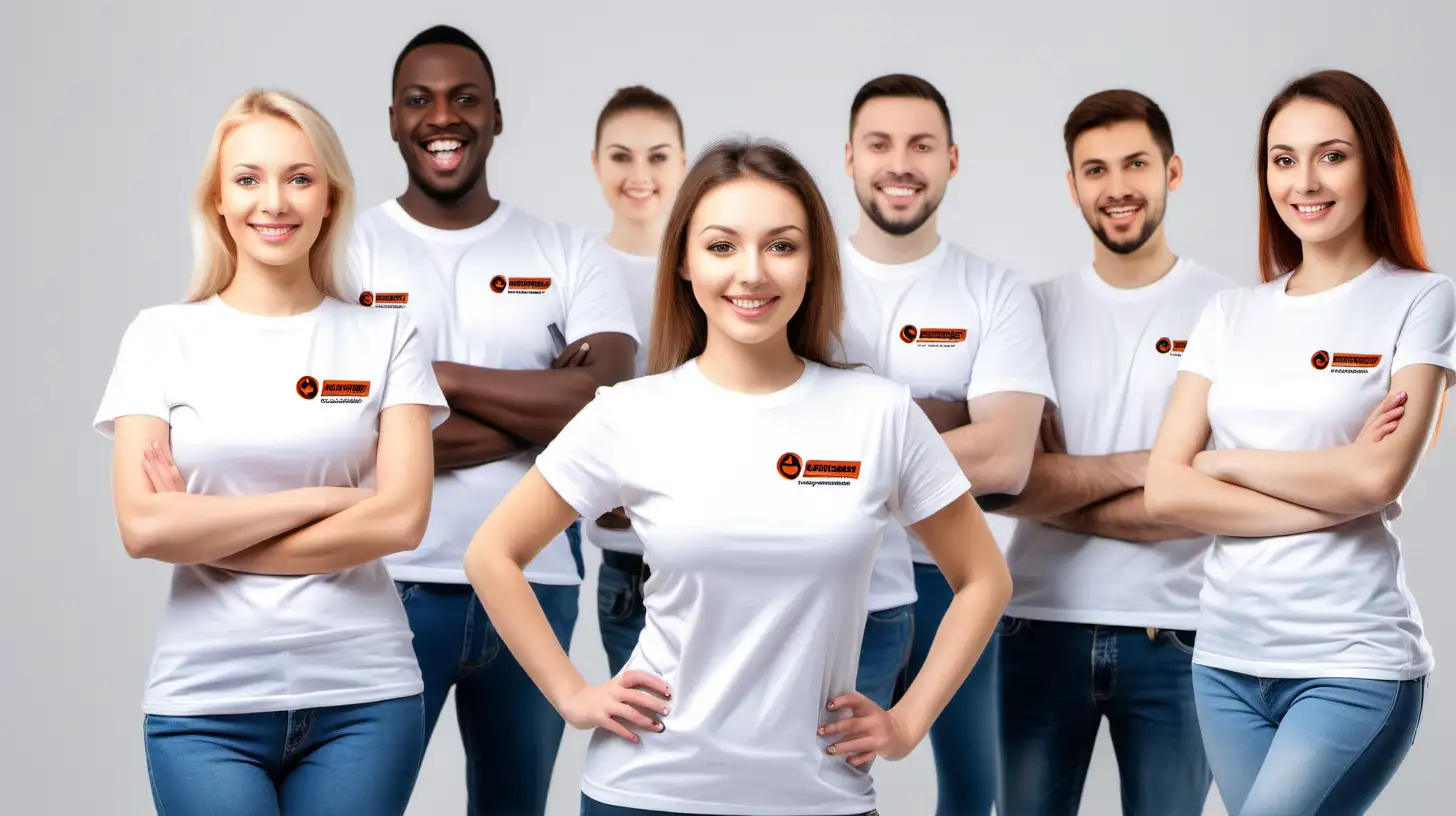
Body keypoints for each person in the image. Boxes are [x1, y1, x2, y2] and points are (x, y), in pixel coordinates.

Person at [462, 137, 1013, 816]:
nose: (751, 273)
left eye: (781, 246)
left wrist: (907, 722)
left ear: (814, 264)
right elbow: (491, 553)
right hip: (646, 792)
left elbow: (985, 577)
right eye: (722, 246)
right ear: (686, 265)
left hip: (821, 801)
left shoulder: (879, 412)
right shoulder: (631, 414)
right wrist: (575, 695)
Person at [93, 88, 448, 815]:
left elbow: (401, 522)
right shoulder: (159, 337)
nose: (274, 201)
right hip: (206, 706)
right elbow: (144, 529)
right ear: (218, 201)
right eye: (248, 178)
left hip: (365, 698)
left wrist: (207, 528)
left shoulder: (387, 336)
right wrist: (328, 500)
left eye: (299, 177)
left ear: (329, 198)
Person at [342, 25, 640, 816]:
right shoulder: (344, 253)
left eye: (465, 98)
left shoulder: (568, 252)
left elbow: (606, 405)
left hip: (536, 584)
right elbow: (348, 437)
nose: (444, 117)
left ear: (498, 115)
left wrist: (428, 378)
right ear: (395, 120)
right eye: (421, 100)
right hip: (384, 583)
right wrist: (541, 414)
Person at [1145, 68, 1450, 815]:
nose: (1303, 181)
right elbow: (1166, 490)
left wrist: (1227, 462)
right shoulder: (1228, 314)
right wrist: (1331, 484)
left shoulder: (1421, 300)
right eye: (1283, 159)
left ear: (1374, 164)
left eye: (1331, 155)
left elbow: (1378, 482)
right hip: (1223, 662)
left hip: (1352, 662)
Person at [995, 89, 1233, 815]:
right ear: (1073, 186)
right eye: (1095, 169)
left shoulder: (1230, 311)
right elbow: (1006, 484)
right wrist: (1156, 468)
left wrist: (1057, 485)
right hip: (1039, 626)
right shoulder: (1025, 310)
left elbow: (1209, 503)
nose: (1117, 186)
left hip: (1182, 637)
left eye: (1136, 163)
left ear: (1173, 171)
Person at [835, 73, 1054, 815]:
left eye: (921, 145)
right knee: (815, 782)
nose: (901, 163)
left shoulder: (994, 292)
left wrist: (838, 449)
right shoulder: (805, 278)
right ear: (849, 158)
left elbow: (1006, 458)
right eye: (881, 144)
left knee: (971, 792)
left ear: (952, 160)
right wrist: (944, 414)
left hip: (954, 577)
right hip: (831, 577)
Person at [584, 85, 688, 675]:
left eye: (658, 156)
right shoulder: (576, 270)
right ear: (596, 165)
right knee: (646, 749)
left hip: (720, 548)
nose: (640, 173)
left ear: (682, 162)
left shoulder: (714, 268)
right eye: (621, 156)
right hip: (629, 565)